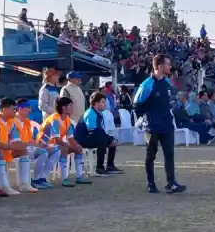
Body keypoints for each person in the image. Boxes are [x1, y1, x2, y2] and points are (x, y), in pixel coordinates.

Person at [135, 54, 185, 194]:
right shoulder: (146, 85)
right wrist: (146, 118)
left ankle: (171, 183)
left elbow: (172, 101)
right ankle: (151, 183)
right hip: (152, 127)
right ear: (160, 66)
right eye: (168, 64)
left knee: (169, 154)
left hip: (167, 125)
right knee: (151, 155)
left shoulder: (168, 83)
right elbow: (137, 105)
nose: (170, 67)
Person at [35, 96, 89, 188]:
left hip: (54, 145)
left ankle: (79, 176)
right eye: (70, 106)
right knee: (63, 149)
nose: (72, 108)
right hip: (43, 145)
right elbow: (58, 140)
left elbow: (70, 138)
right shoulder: (54, 119)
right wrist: (71, 147)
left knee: (78, 148)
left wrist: (76, 146)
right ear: (63, 108)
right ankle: (65, 179)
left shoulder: (67, 120)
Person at [75, 92, 123, 176]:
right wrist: (105, 137)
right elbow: (92, 130)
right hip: (83, 139)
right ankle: (99, 168)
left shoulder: (99, 113)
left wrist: (109, 138)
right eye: (103, 102)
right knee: (101, 137)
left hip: (95, 136)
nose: (105, 104)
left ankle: (110, 166)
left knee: (113, 142)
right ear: (96, 103)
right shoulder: (90, 113)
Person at [0, 98, 29, 195]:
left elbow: (16, 141)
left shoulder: (11, 121)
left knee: (25, 151)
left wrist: (26, 146)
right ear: (4, 109)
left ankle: (24, 184)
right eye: (13, 109)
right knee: (0, 151)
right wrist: (16, 147)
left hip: (6, 148)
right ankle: (4, 186)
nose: (15, 111)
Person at [13, 100, 39, 192]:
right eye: (28, 108)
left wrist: (41, 145)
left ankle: (39, 179)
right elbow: (14, 142)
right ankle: (24, 183)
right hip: (12, 148)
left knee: (44, 151)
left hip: (24, 146)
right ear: (20, 109)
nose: (30, 111)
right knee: (24, 152)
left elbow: (30, 140)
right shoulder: (13, 121)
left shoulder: (27, 122)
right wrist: (28, 144)